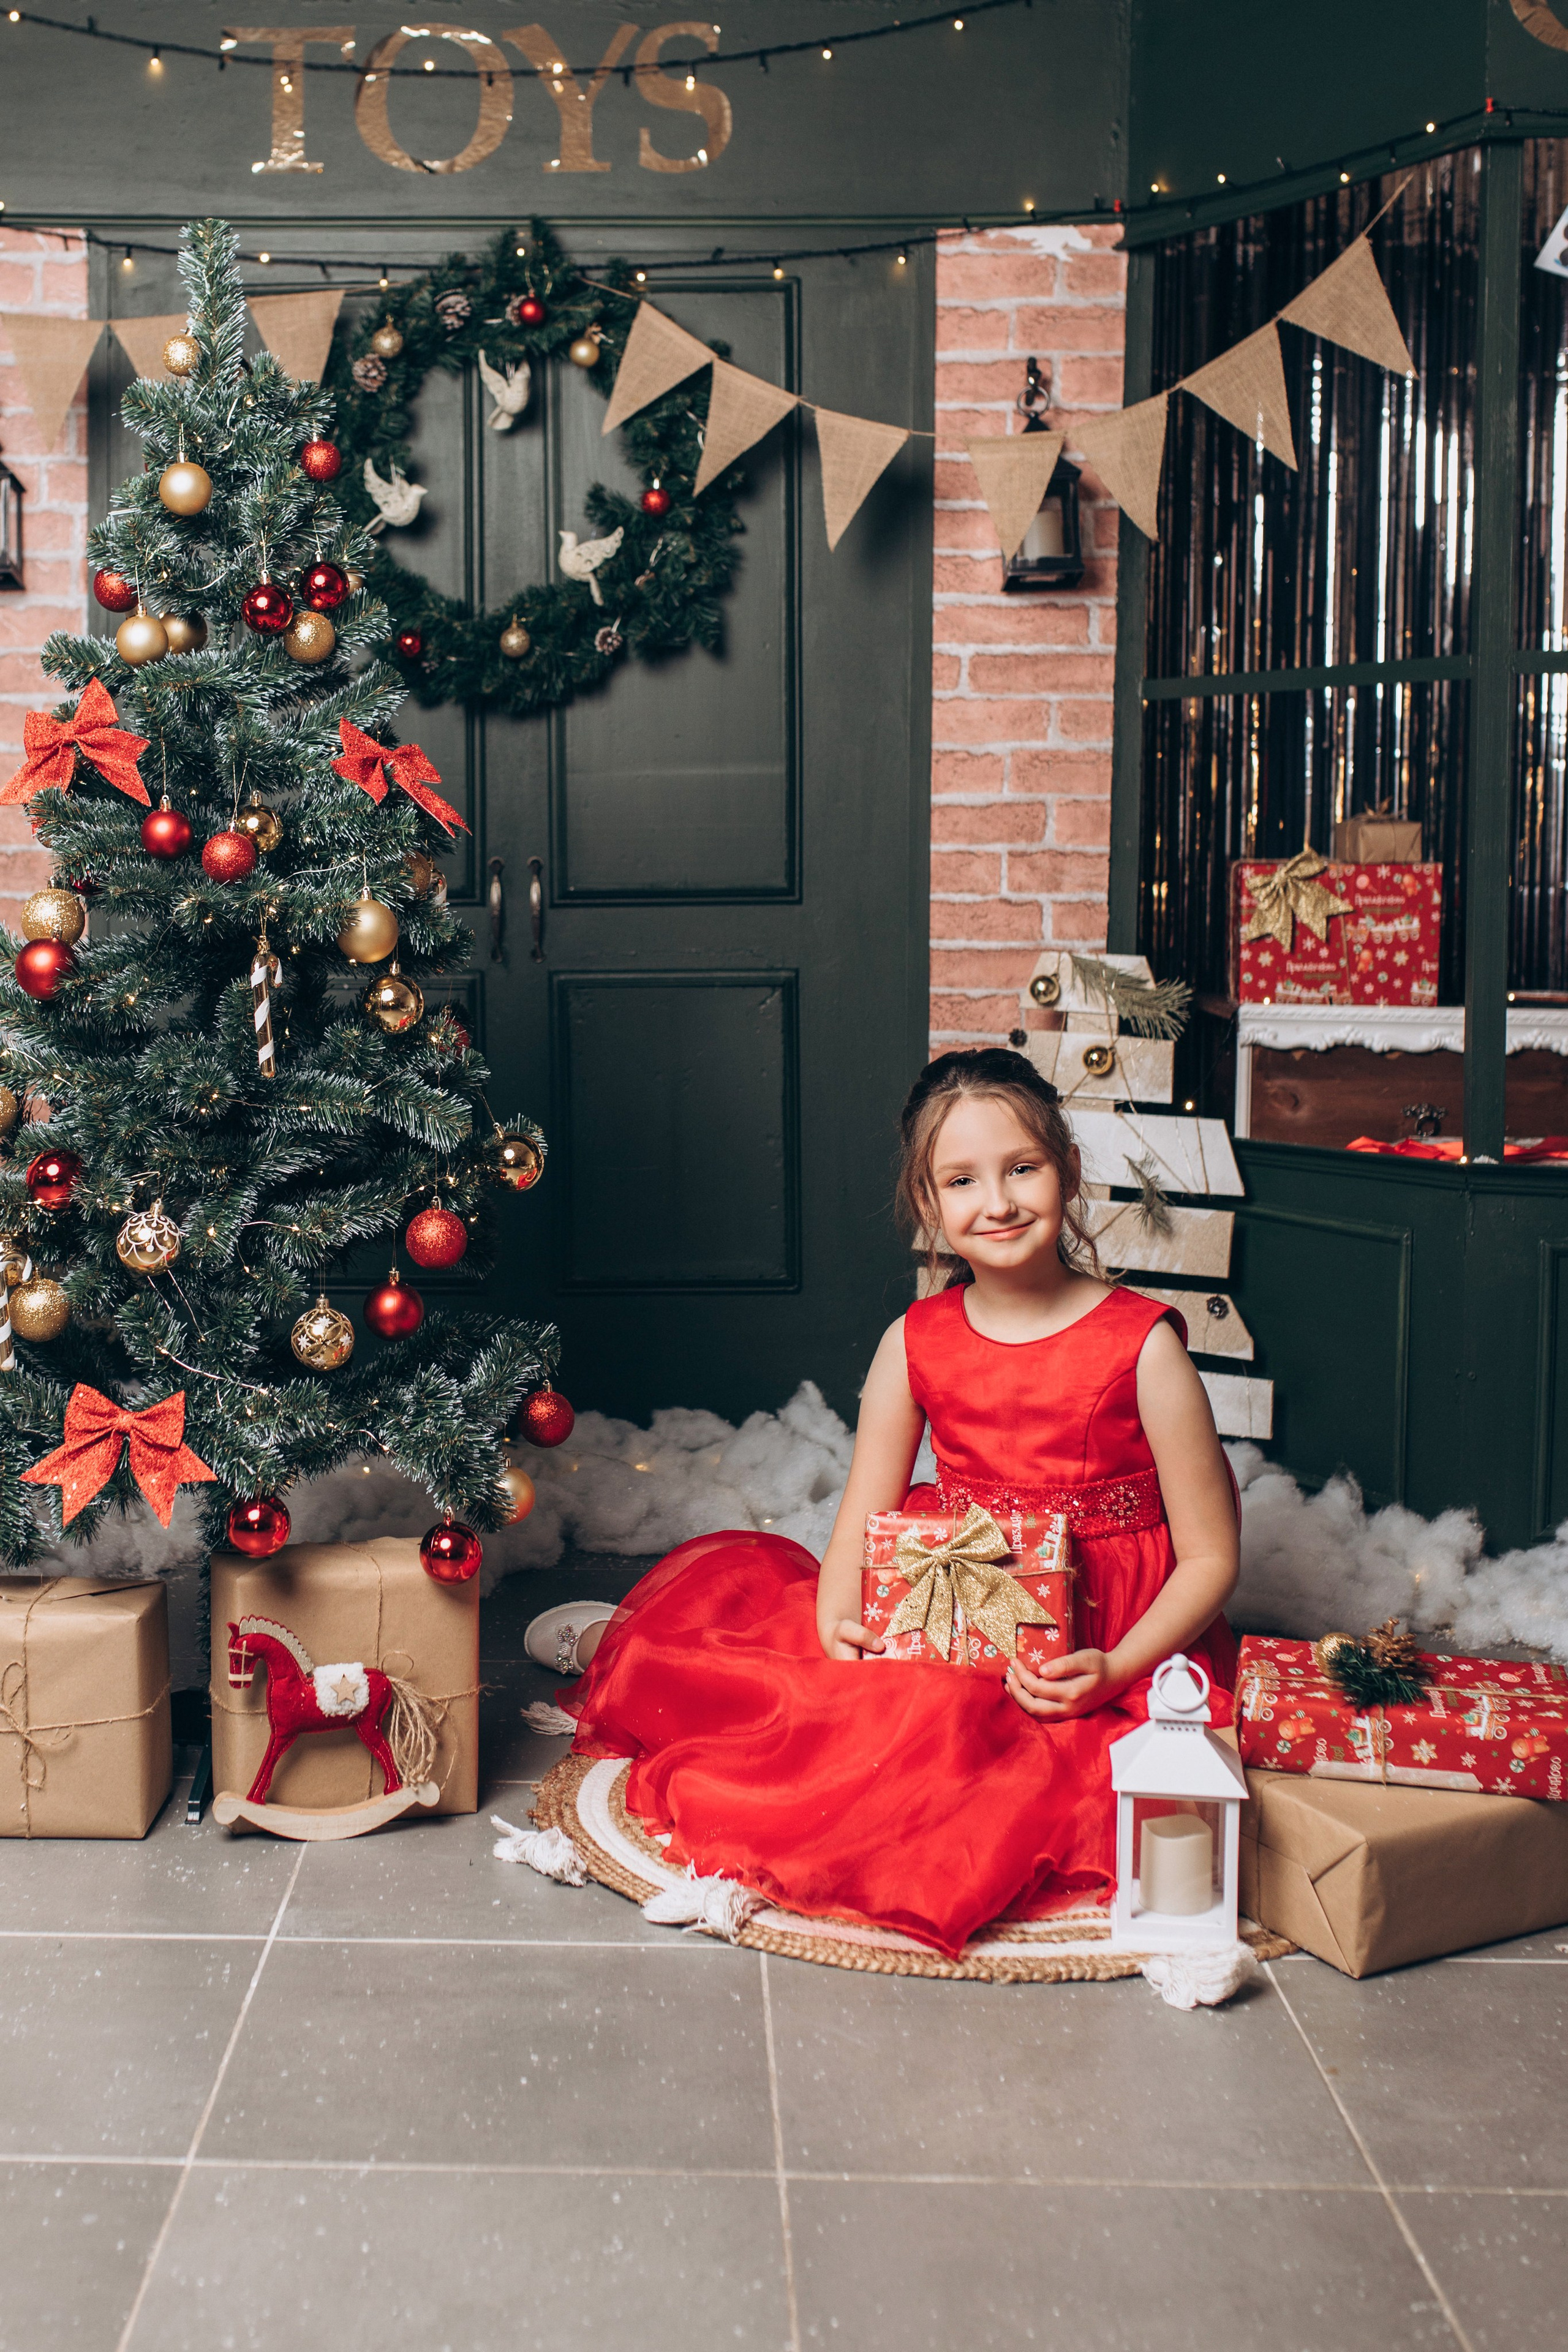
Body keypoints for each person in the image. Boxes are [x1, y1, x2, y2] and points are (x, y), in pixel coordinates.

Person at [523, 1047, 1240, 1959]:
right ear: (929, 1203)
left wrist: (1117, 1666)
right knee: (822, 1703)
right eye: (963, 1181)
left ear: (1065, 1167)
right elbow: (867, 1505)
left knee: (1005, 1774)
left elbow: (1213, 1555)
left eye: (1023, 1169)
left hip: (1112, 1624)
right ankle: (613, 1641)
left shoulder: (1143, 1346)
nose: (1000, 1201)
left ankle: (624, 1643)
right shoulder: (917, 1339)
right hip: (957, 1600)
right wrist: (838, 1614)